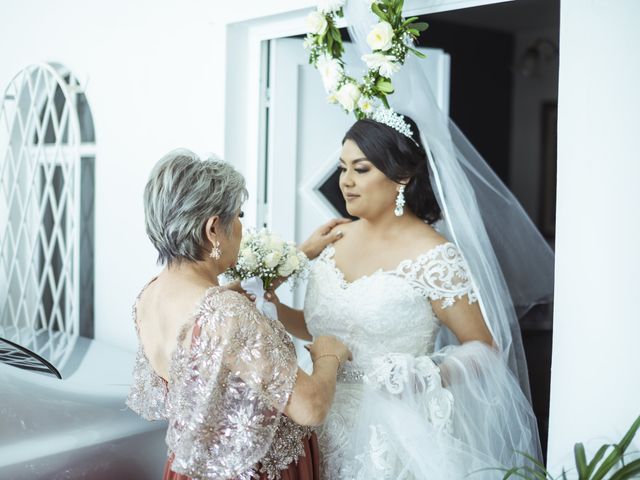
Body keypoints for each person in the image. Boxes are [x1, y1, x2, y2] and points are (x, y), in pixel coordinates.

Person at [270, 117, 542, 478]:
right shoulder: (333, 239)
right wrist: (272, 297)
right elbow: (319, 324)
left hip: (392, 437)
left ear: (402, 177)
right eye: (342, 169)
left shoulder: (434, 256)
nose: (346, 182)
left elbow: (484, 345)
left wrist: (425, 373)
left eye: (361, 169)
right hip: (317, 420)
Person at [126, 149, 352, 480]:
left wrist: (299, 254)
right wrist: (328, 355)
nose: (242, 227)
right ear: (213, 229)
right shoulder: (223, 311)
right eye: (239, 215)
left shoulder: (149, 296)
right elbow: (310, 407)